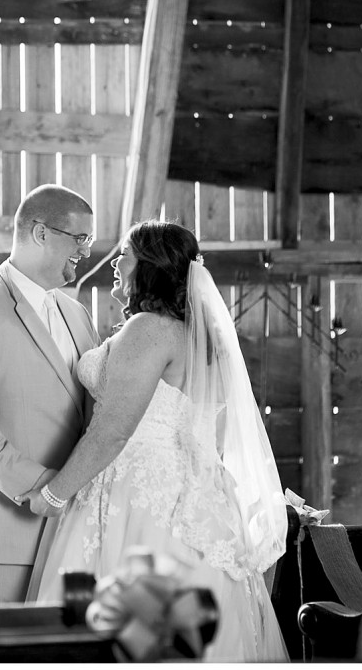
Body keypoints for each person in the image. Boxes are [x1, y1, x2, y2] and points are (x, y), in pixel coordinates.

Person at [19, 220, 289, 661]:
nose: (114, 262)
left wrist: (52, 494)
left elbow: (114, 429)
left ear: (149, 264)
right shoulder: (204, 340)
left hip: (140, 500)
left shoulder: (149, 328)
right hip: (192, 501)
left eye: (123, 253)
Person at [0, 184, 102, 602]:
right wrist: (43, 486)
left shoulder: (77, 314)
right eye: (80, 238)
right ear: (41, 233)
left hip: (78, 534)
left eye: (89, 240)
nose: (86, 250)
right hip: (8, 541)